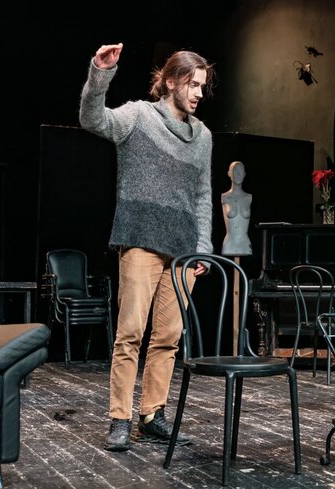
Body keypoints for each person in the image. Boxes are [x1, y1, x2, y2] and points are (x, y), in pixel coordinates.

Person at [79, 42, 215, 452]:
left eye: (202, 86)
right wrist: (100, 73)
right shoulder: (138, 116)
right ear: (170, 81)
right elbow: (93, 119)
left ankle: (152, 414)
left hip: (183, 252)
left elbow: (202, 196)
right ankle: (120, 417)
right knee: (131, 333)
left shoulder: (203, 136)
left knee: (168, 337)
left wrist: (203, 247)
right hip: (140, 240)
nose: (198, 93)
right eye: (192, 84)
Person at [221, 161, 253, 256]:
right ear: (229, 173)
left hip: (245, 245)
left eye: (241, 170)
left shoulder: (249, 197)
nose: (238, 174)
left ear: (244, 174)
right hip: (229, 244)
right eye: (235, 170)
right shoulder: (224, 197)